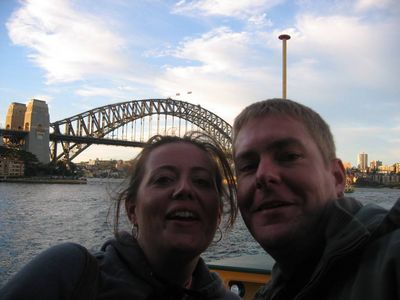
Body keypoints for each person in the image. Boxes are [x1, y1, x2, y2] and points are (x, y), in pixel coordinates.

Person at [0, 132, 239, 300]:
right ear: (132, 209)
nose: (184, 189)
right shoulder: (68, 275)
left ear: (218, 212)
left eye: (201, 181)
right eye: (163, 179)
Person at [232, 98, 400, 300]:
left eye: (289, 156)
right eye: (248, 166)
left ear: (337, 178)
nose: (263, 175)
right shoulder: (275, 292)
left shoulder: (391, 259)